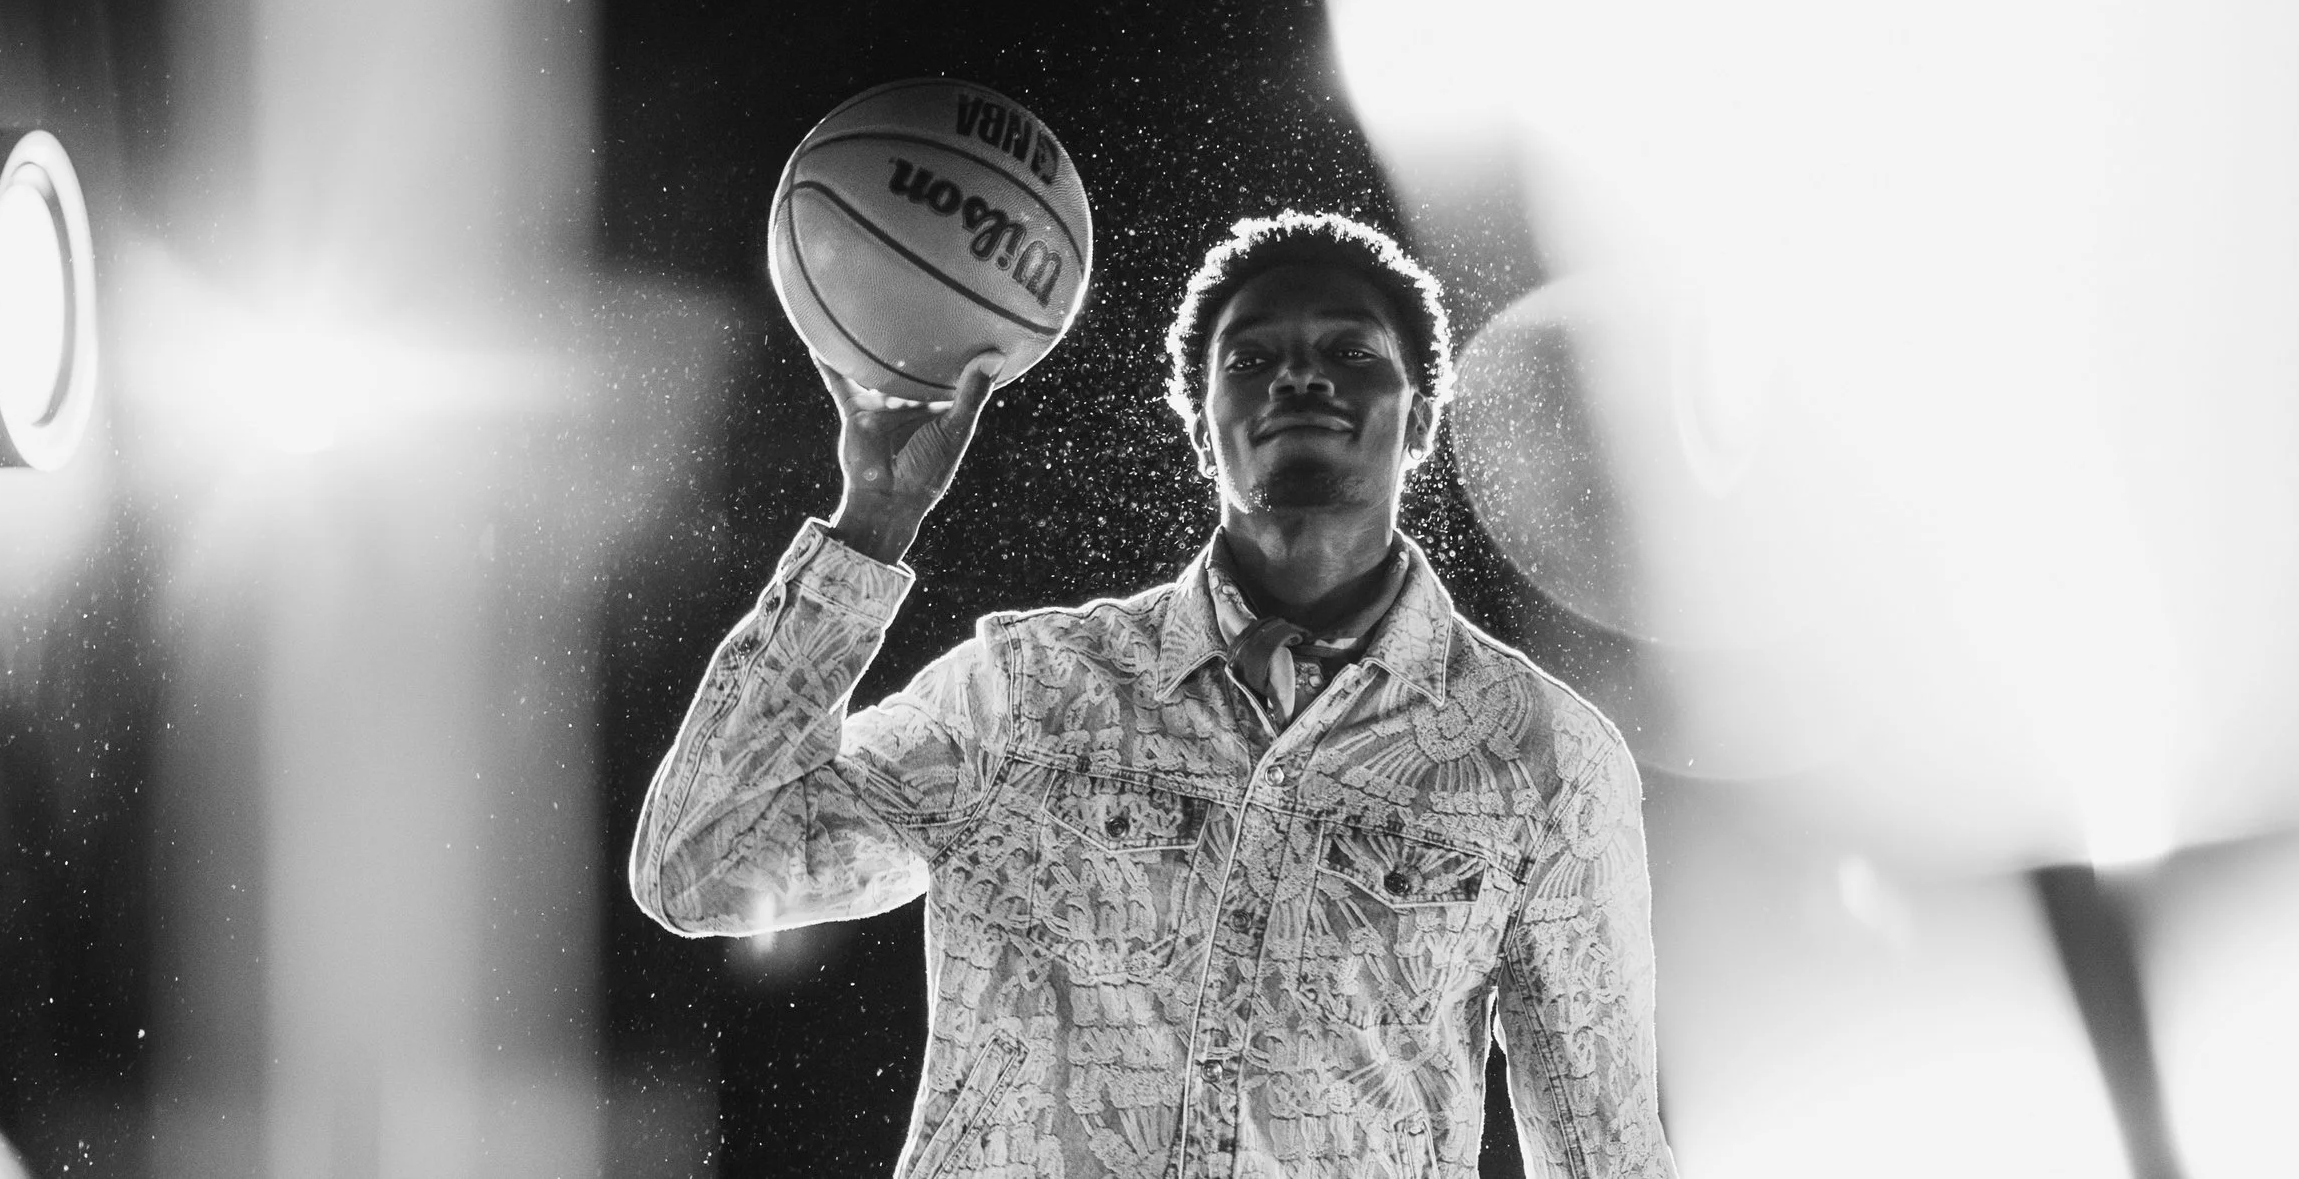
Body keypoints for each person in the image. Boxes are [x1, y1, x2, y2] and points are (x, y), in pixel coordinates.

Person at [630, 211, 1675, 1179]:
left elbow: (1604, 1146)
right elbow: (708, 863)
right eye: (1252, 357)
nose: (1300, 376)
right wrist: (872, 524)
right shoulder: (1026, 692)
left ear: (1420, 419)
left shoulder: (1542, 756)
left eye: (1352, 351)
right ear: (1197, 423)